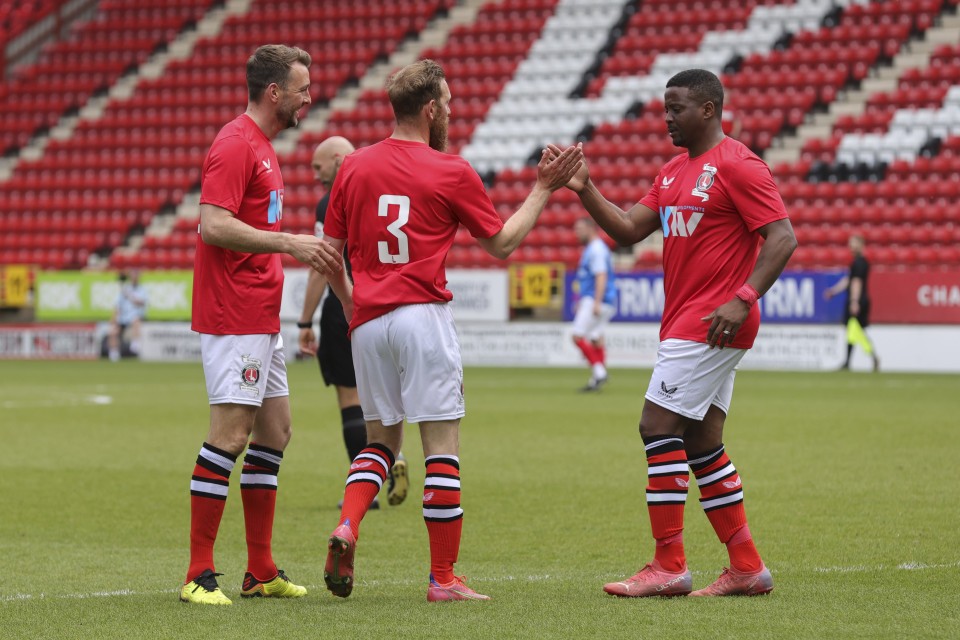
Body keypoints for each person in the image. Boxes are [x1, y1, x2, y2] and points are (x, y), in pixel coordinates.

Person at [320, 59, 583, 602]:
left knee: (379, 443)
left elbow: (330, 254)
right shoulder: (451, 170)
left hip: (368, 322)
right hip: (422, 315)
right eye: (450, 102)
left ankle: (348, 524)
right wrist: (542, 187)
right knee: (441, 447)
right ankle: (443, 579)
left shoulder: (354, 168)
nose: (454, 112)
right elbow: (502, 243)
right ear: (431, 109)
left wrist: (351, 305)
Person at [551, 68, 797, 597]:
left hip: (712, 321)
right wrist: (585, 188)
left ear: (708, 109)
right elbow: (626, 232)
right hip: (689, 320)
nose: (667, 117)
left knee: (655, 425)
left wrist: (743, 298)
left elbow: (782, 238)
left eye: (676, 107)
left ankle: (669, 565)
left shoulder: (738, 164)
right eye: (665, 107)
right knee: (703, 443)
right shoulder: (671, 173)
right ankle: (747, 567)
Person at [181, 44, 343, 606]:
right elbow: (213, 226)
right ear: (275, 92)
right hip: (234, 315)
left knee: (275, 433)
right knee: (229, 435)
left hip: (259, 315)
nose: (308, 97)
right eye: (302, 87)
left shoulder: (264, 146)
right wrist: (289, 242)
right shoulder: (234, 143)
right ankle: (198, 573)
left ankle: (259, 569)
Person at [297, 136, 409, 509]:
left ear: (338, 160)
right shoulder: (383, 191)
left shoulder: (332, 201)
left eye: (318, 167)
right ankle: (395, 455)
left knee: (350, 399)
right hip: (387, 304)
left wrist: (304, 320)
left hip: (343, 306)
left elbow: (323, 264)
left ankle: (366, 491)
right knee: (383, 395)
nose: (316, 175)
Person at [571, 217, 618, 392]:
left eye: (579, 229)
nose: (577, 233)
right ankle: (597, 377)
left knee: (577, 336)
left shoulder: (596, 249)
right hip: (597, 299)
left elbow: (601, 276)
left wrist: (596, 302)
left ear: (590, 229)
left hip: (597, 299)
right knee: (595, 337)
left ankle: (600, 372)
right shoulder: (594, 248)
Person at [824, 234, 879, 371]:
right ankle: (849, 362)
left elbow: (856, 282)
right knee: (853, 332)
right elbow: (849, 280)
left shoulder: (859, 263)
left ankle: (869, 356)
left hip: (858, 300)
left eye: (854, 244)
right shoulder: (858, 262)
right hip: (859, 300)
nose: (851, 247)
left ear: (861, 245)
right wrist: (834, 291)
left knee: (856, 332)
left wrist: (854, 301)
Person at [107, 269, 147, 361]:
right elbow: (117, 305)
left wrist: (130, 296)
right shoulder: (124, 289)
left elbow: (141, 302)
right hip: (123, 317)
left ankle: (135, 343)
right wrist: (113, 318)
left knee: (136, 321)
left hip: (134, 316)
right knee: (113, 331)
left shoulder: (143, 289)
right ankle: (114, 353)